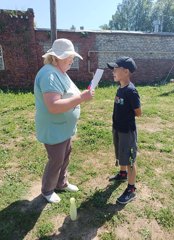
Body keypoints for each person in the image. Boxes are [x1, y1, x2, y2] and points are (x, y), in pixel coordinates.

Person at [34, 38, 94, 203]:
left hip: (63, 128)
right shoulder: (49, 75)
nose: (72, 59)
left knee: (65, 155)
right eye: (69, 56)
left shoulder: (60, 72)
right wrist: (82, 98)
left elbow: (67, 94)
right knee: (56, 159)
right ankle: (47, 190)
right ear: (56, 57)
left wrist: (80, 96)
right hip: (54, 129)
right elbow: (53, 106)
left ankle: (61, 183)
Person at [107, 56, 141, 204]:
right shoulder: (120, 88)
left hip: (127, 130)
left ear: (126, 71)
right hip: (118, 128)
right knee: (120, 152)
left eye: (116, 69)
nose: (113, 71)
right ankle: (122, 173)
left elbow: (138, 112)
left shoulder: (131, 91)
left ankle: (131, 189)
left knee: (130, 159)